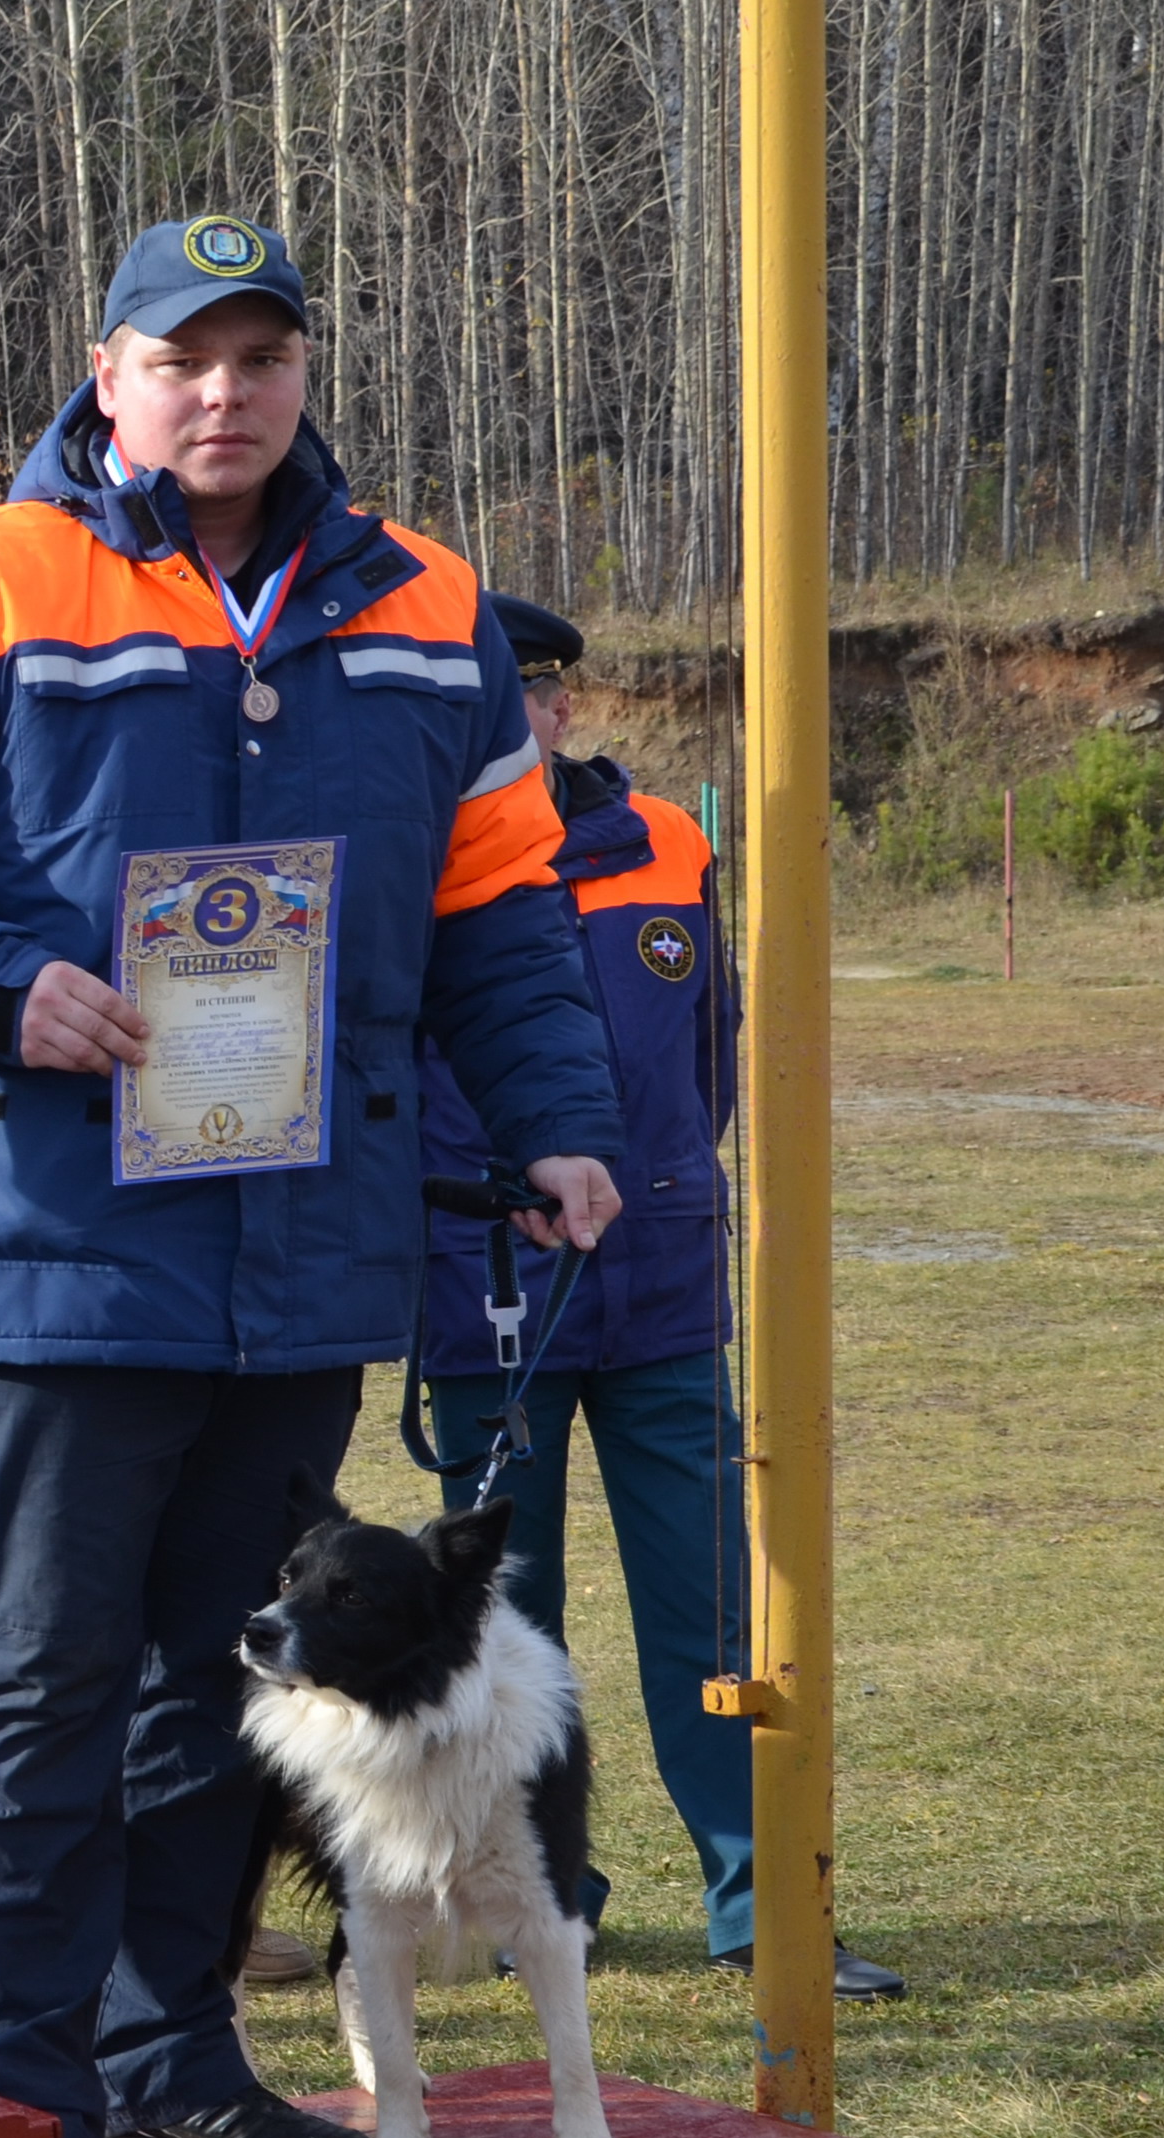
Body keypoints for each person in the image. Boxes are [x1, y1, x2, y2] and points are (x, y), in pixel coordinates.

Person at [0, 216, 627, 2138]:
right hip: (50, 1246)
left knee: (228, 1686)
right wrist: (2, 986)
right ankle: (17, 2108)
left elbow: (503, 911)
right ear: (108, 375)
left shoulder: (429, 609)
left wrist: (565, 1124)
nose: (224, 395)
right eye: (182, 358)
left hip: (301, 1253)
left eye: (262, 357)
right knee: (34, 1683)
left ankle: (173, 2059)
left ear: (306, 373)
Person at [421, 594, 904, 2000]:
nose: (519, 719)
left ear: (564, 708)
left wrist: (671, 1179)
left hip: (664, 1282)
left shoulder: (669, 842)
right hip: (487, 1283)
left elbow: (712, 1047)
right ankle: (533, 1897)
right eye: (487, 696)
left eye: (531, 696)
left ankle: (762, 1899)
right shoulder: (416, 849)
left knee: (711, 1608)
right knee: (503, 1619)